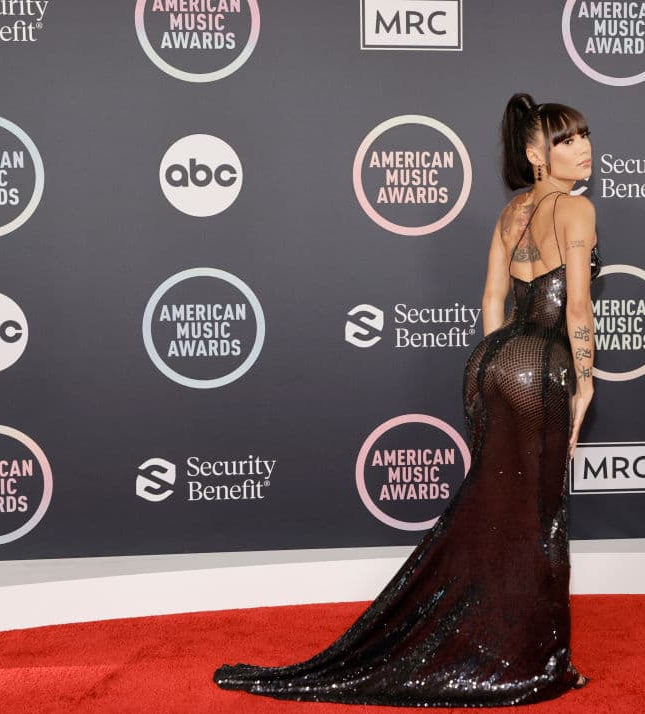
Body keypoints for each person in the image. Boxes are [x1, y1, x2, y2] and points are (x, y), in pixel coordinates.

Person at [213, 92, 601, 707]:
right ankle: (539, 663)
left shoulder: (511, 214)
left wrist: (495, 364)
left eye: (583, 136)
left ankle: (495, 640)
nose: (583, 148)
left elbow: (491, 305)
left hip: (490, 364)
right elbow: (576, 307)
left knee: (497, 512)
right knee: (539, 516)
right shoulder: (575, 213)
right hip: (543, 367)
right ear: (535, 153)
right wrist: (585, 379)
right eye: (566, 140)